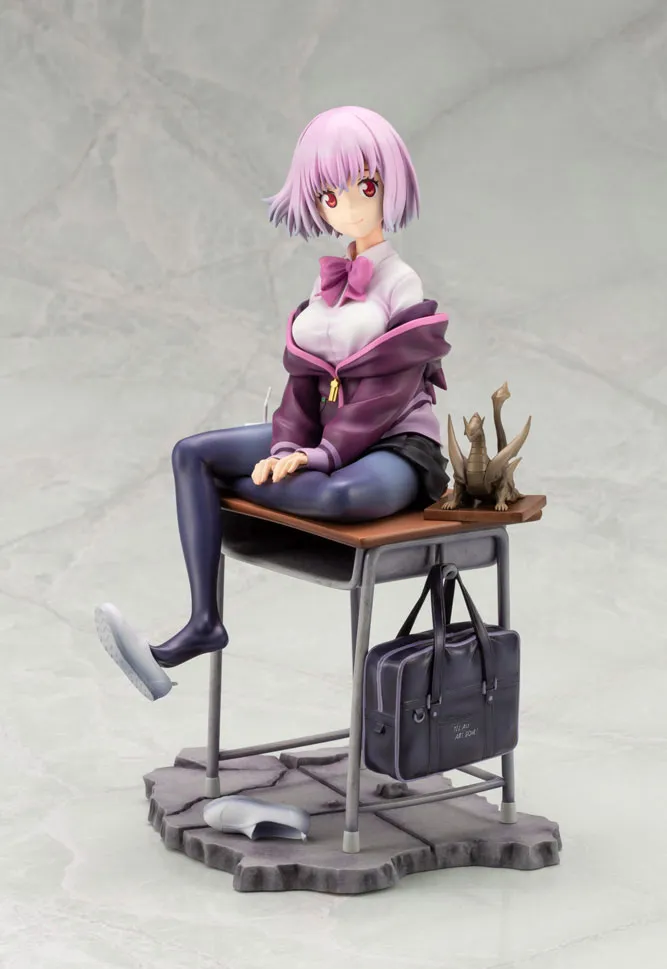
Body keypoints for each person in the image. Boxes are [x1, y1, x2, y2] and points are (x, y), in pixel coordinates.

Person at [95, 106, 451, 700]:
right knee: (193, 456)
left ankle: (225, 497)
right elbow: (303, 381)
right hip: (321, 435)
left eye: (364, 186)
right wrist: (288, 445)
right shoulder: (324, 285)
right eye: (329, 194)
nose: (347, 205)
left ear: (389, 184)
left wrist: (321, 456)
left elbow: (387, 394)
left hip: (393, 446)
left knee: (335, 497)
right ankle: (203, 622)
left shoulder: (401, 283)